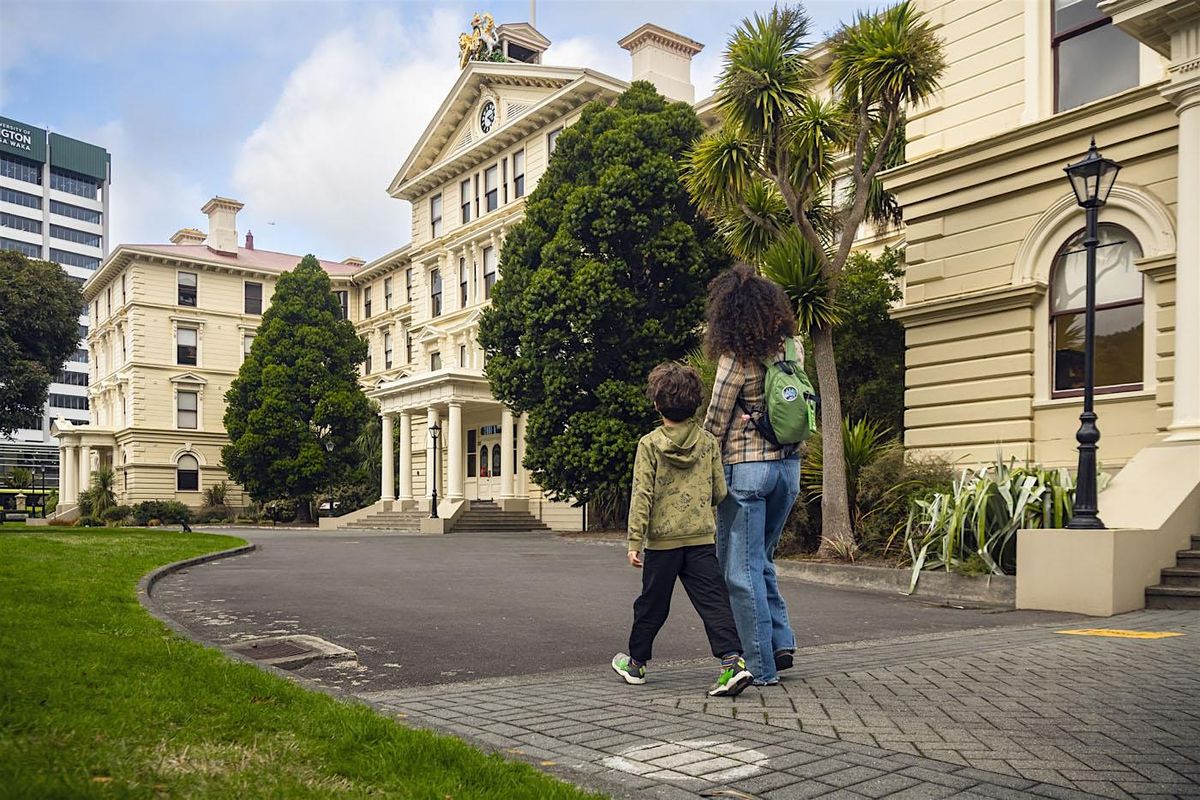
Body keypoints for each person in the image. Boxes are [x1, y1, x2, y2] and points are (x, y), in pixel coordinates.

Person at [611, 362, 754, 698]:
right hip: (701, 539)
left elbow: (642, 493)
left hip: (662, 543)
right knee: (714, 602)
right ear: (695, 404)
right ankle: (732, 663)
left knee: (652, 604)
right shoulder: (707, 442)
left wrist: (635, 540)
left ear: (657, 404)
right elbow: (720, 492)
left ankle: (636, 664)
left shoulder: (649, 444)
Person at [703, 264, 803, 686]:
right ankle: (780, 645)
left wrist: (702, 463)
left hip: (747, 472)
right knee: (761, 561)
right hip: (789, 468)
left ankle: (760, 668)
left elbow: (716, 419)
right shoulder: (791, 348)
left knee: (739, 572)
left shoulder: (736, 358)